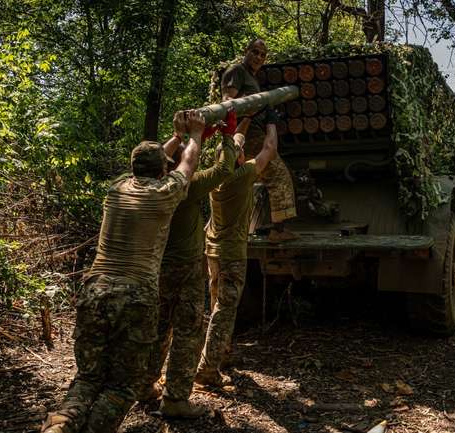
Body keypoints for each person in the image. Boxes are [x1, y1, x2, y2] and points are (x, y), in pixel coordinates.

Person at [41, 110, 206, 433]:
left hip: (95, 290)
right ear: (162, 169)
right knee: (120, 387)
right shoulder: (165, 193)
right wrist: (196, 135)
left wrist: (176, 136)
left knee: (88, 377)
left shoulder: (116, 189)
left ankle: (58, 428)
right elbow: (188, 164)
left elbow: (158, 159)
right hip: (135, 295)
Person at [139, 109, 242, 418]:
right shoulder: (186, 186)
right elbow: (225, 168)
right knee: (188, 331)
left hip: (156, 268)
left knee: (158, 328)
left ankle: (144, 386)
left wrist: (182, 136)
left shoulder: (142, 185)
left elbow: (157, 157)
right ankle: (175, 399)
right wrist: (227, 133)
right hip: (185, 270)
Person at [195, 109, 280, 387]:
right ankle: (207, 368)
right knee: (225, 310)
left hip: (213, 253)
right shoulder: (243, 177)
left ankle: (222, 353)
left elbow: (233, 146)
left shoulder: (214, 178)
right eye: (240, 150)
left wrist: (241, 121)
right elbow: (270, 148)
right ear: (239, 158)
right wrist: (271, 122)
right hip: (232, 254)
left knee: (216, 303)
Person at [220, 38, 299, 242]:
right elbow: (227, 104)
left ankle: (238, 228)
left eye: (263, 55)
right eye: (255, 52)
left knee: (250, 180)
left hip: (254, 134)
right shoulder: (236, 71)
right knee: (279, 175)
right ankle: (278, 232)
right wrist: (249, 114)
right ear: (246, 51)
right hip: (247, 135)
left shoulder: (251, 78)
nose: (258, 57)